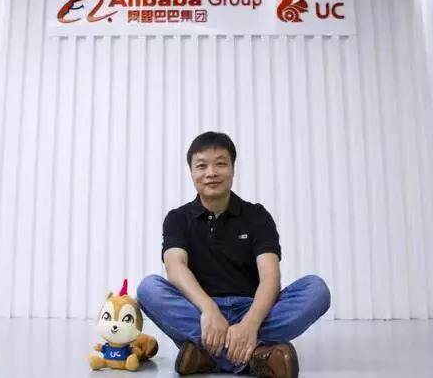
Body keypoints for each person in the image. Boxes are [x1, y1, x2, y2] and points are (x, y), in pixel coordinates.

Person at [137, 132, 330, 377]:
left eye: (220, 164)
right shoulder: (177, 218)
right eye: (202, 166)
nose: (211, 173)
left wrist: (250, 324)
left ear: (232, 169)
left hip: (253, 309)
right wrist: (210, 310)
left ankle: (208, 356)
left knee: (317, 289)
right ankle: (256, 356)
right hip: (200, 312)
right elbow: (175, 268)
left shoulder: (257, 216)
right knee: (149, 288)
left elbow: (270, 276)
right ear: (191, 172)